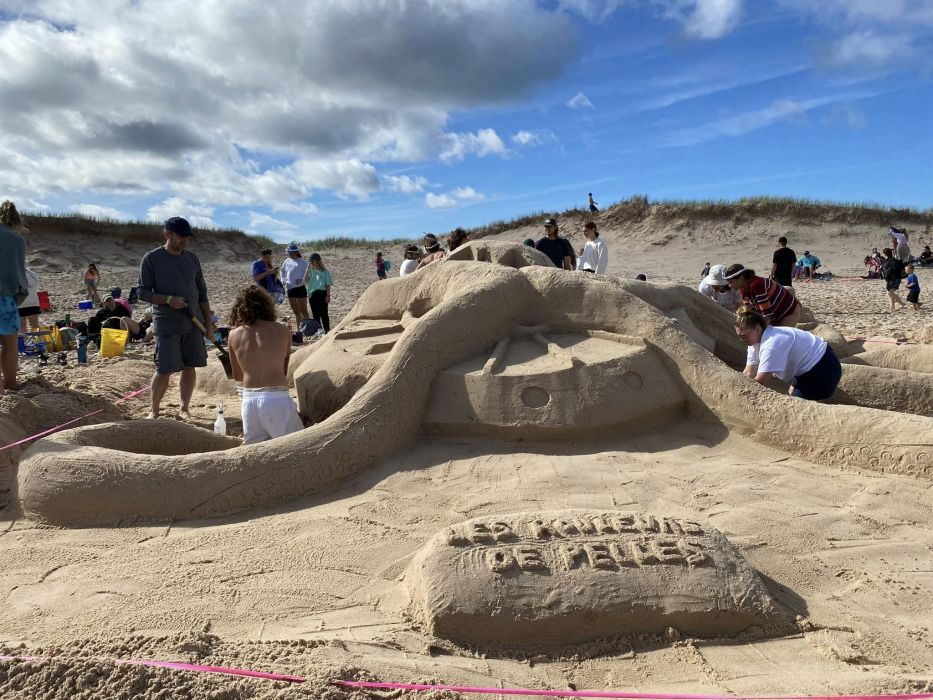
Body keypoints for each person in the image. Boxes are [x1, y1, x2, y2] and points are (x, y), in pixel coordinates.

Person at [137, 216, 213, 420]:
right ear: (167, 234)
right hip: (167, 323)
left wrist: (208, 323)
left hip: (194, 322)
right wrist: (168, 299)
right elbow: (142, 293)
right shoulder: (151, 259)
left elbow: (202, 292)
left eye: (187, 238)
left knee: (190, 367)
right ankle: (154, 410)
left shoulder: (192, 258)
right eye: (181, 237)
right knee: (164, 369)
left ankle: (184, 408)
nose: (185, 242)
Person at [227, 285, 304, 444]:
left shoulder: (233, 335)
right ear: (267, 306)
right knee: (295, 446)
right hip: (277, 398)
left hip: (249, 401)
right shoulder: (282, 330)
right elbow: (283, 369)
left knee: (256, 452)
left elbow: (237, 376)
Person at [735, 305, 840, 401]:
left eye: (744, 336)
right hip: (808, 365)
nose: (741, 340)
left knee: (798, 403)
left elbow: (762, 381)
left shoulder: (771, 344)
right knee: (791, 392)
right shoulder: (755, 341)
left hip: (824, 367)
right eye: (739, 337)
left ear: (757, 329)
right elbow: (749, 372)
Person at [0, 200, 28, 394]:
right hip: (5, 299)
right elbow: (20, 276)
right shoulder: (17, 240)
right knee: (10, 345)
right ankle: (10, 384)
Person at [725, 265, 801, 327]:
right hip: (775, 312)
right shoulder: (742, 290)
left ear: (741, 278)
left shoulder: (757, 284)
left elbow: (767, 314)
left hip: (788, 311)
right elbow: (751, 311)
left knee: (780, 338)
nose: (730, 286)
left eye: (731, 282)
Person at [280, 243, 310, 324]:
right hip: (290, 289)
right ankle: (300, 331)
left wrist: (302, 280)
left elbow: (309, 275)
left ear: (296, 252)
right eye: (288, 252)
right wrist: (283, 281)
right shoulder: (286, 261)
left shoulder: (303, 263)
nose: (289, 254)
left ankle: (308, 330)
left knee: (304, 311)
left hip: (300, 288)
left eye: (291, 252)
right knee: (296, 313)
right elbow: (282, 271)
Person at [304, 252, 332, 333]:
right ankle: (319, 331)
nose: (311, 262)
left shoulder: (325, 272)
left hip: (322, 294)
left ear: (317, 261)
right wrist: (307, 270)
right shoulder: (310, 271)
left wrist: (328, 296)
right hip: (312, 294)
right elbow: (304, 281)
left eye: (312, 261)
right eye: (310, 261)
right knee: (315, 315)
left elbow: (328, 285)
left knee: (324, 314)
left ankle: (327, 330)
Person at [18, 267, 41, 333]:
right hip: (30, 303)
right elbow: (32, 282)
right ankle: (36, 340)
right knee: (34, 325)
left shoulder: (14, 274)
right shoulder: (30, 274)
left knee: (23, 326)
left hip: (22, 303)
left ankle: (25, 342)